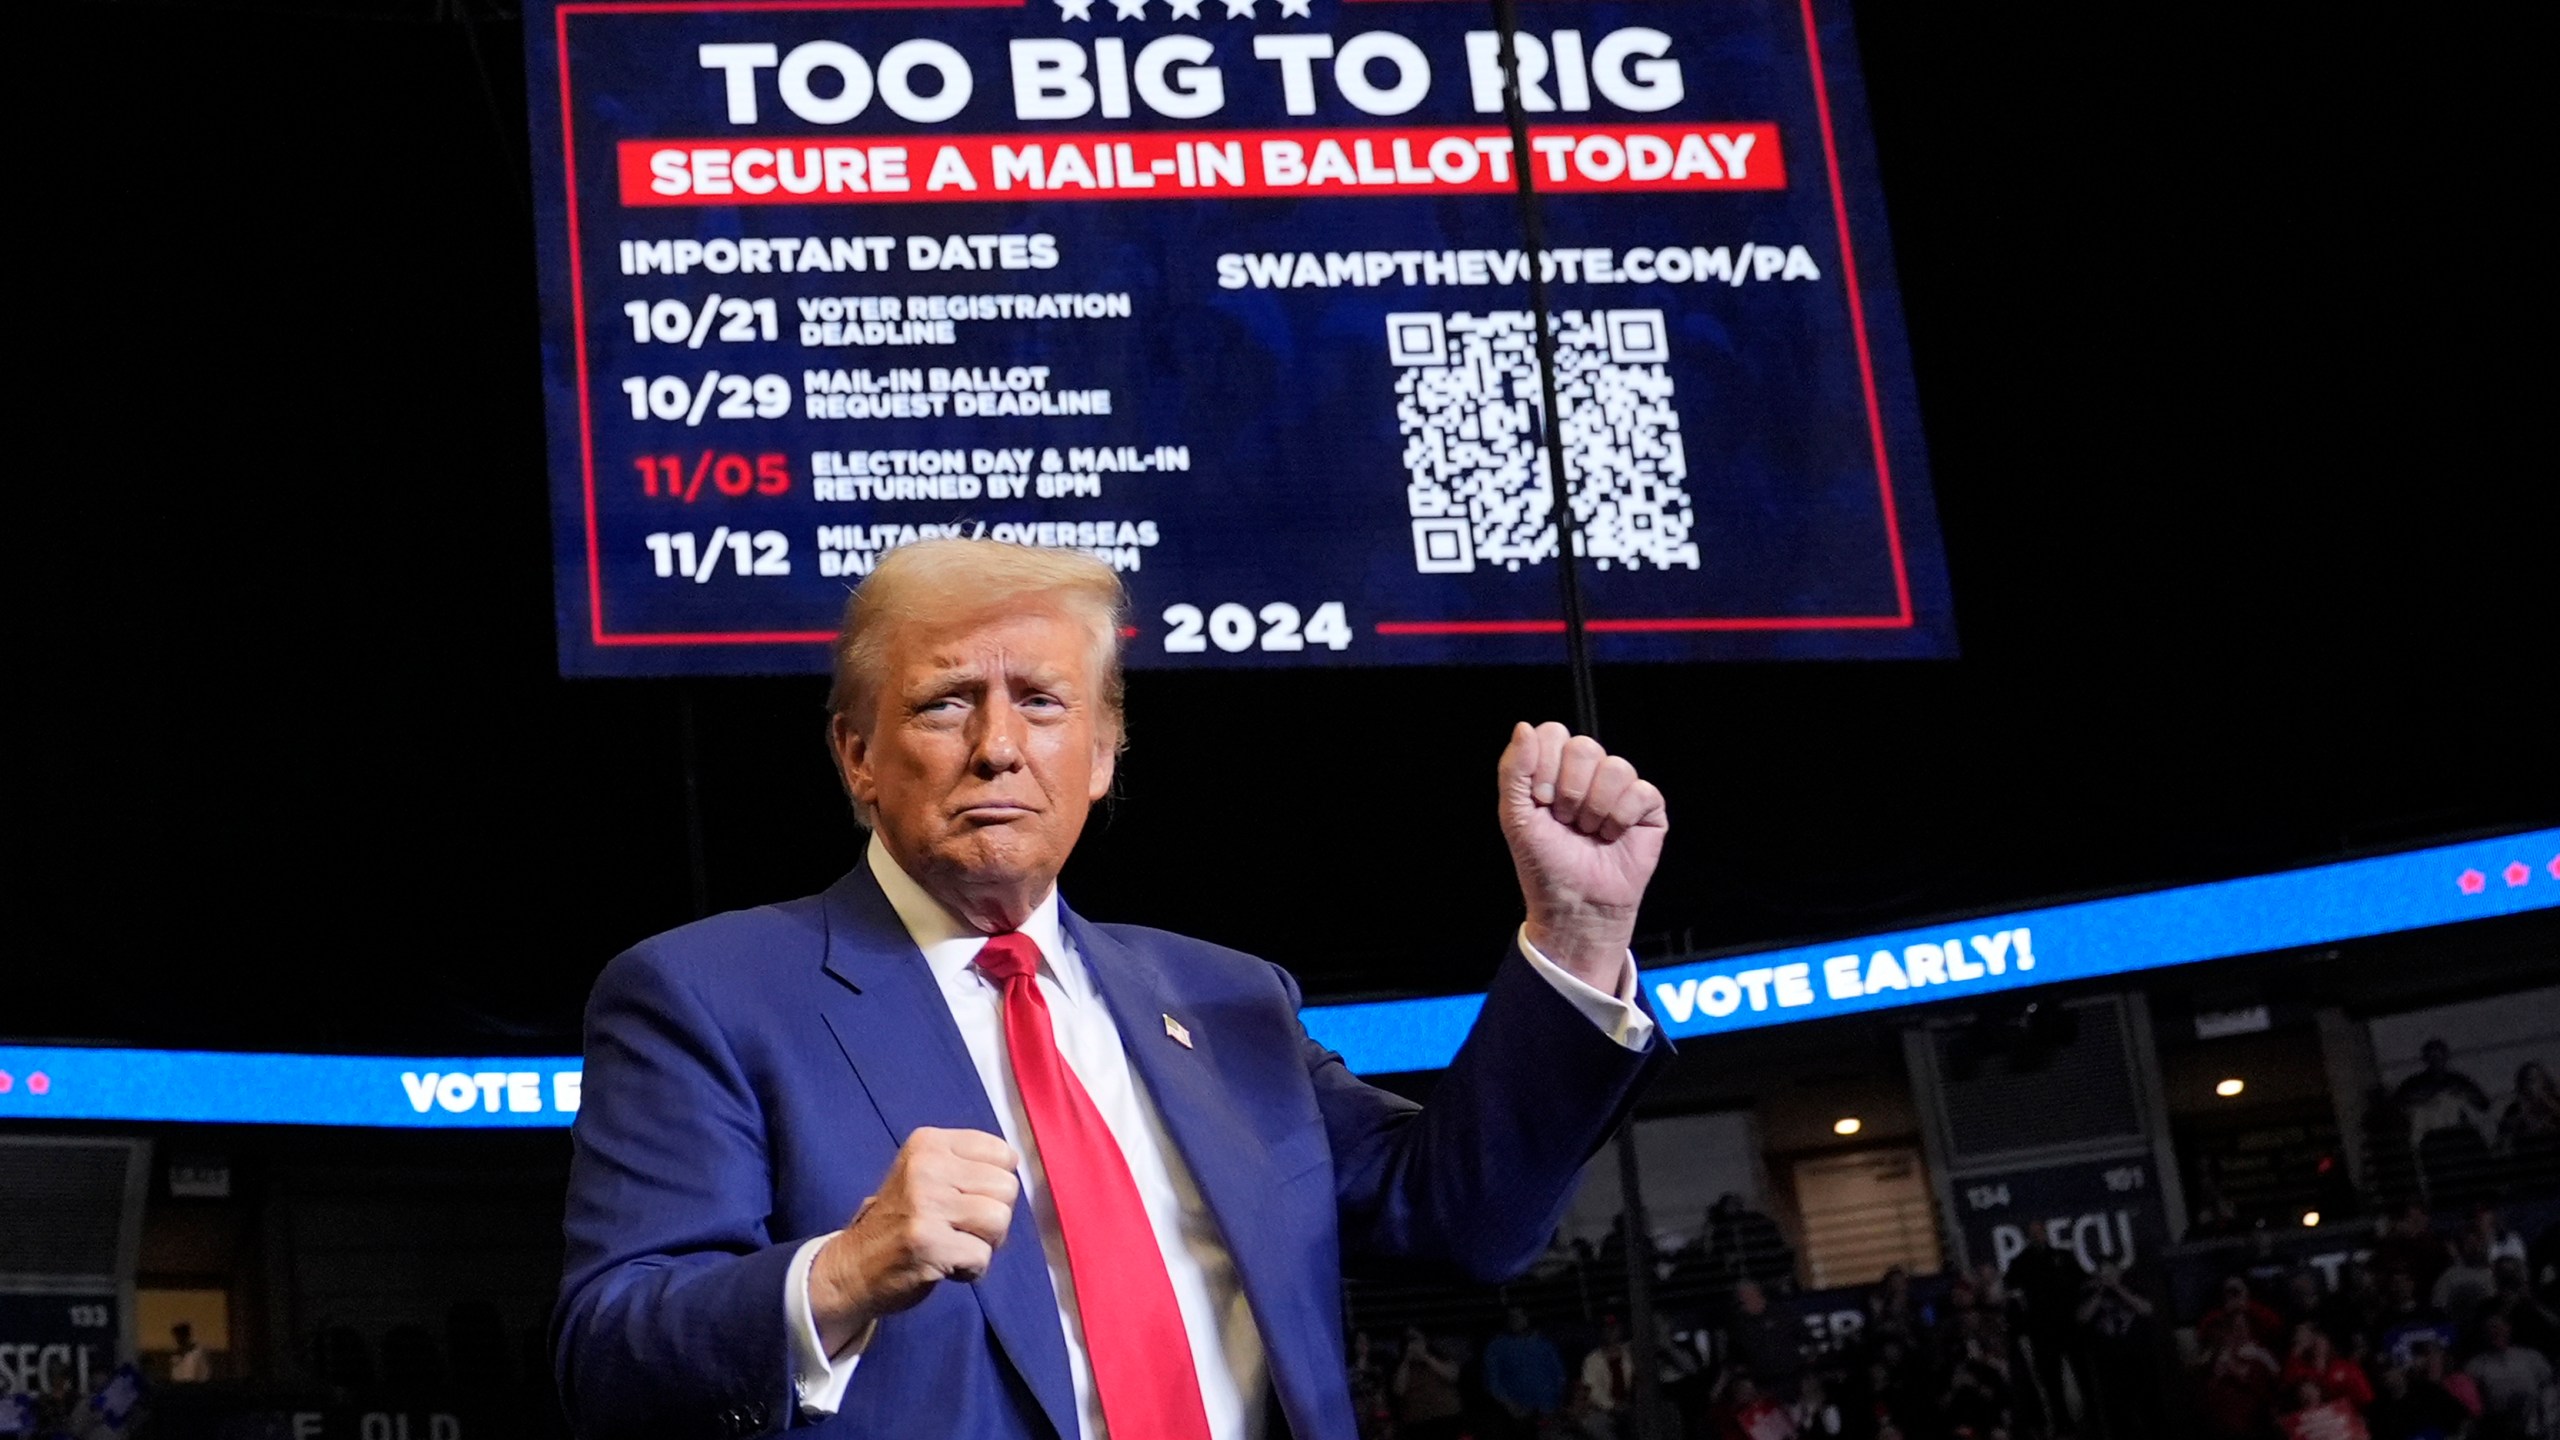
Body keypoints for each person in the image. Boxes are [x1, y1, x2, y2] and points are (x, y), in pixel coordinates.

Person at [552, 541, 1670, 1440]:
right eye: (945, 702)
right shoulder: (703, 996)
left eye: (1040, 700)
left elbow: (1463, 1218)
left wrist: (1575, 937)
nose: (997, 746)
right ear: (857, 755)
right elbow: (607, 1357)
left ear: (1100, 753)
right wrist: (837, 1274)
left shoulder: (1231, 1002)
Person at [2003, 1219, 2087, 1437]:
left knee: (2082, 1374)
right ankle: (2062, 1423)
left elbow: (2081, 1281)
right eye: (2033, 1233)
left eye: (2039, 1231)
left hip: (2069, 1327)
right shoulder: (2021, 1262)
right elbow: (2009, 1286)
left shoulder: (2063, 1257)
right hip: (2042, 1331)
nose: (2037, 1236)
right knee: (2051, 1381)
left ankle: (2089, 1420)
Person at [2074, 1261, 2159, 1440]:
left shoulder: (2132, 1287)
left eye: (2110, 1274)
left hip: (2137, 1359)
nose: (2107, 1278)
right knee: (2118, 1413)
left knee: (2148, 1407)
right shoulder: (2090, 1293)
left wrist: (2118, 1288)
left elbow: (2146, 1310)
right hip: (2108, 1364)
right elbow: (2082, 1317)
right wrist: (2100, 1291)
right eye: (2103, 1274)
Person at [2461, 1315, 2552, 1440]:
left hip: (2535, 1424)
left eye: (2500, 1326)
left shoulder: (2531, 1356)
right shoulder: (2475, 1365)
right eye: (2492, 1328)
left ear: (2509, 1328)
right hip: (2498, 1427)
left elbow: (2548, 1388)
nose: (2497, 1331)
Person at [1482, 1308, 1568, 1437]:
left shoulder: (1544, 1344)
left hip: (1548, 1407)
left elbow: (1560, 1375)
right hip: (1517, 1411)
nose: (1516, 1320)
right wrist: (1510, 1405)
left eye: (1520, 1316)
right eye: (1512, 1317)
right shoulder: (1496, 1347)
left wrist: (1558, 1403)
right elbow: (1493, 1382)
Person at [1394, 1330, 1465, 1440]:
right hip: (1418, 1422)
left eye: (1415, 1339)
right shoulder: (1402, 1366)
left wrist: (1425, 1356)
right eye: (1409, 1340)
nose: (1413, 1344)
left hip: (1446, 1417)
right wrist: (1406, 1360)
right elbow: (1399, 1391)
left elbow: (1453, 1376)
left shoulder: (1440, 1357)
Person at [1580, 1314, 1636, 1436]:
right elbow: (1593, 1390)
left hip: (1631, 1406)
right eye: (1607, 1329)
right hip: (1604, 1409)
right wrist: (1612, 1405)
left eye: (1614, 1328)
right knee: (1596, 1423)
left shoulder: (1631, 1353)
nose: (1611, 1332)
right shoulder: (1592, 1360)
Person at [2280, 1378, 2374, 1440]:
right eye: (2304, 1392)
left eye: (2311, 1390)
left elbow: (2357, 1431)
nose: (2309, 1395)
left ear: (2318, 1391)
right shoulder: (2296, 1421)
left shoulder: (2340, 1408)